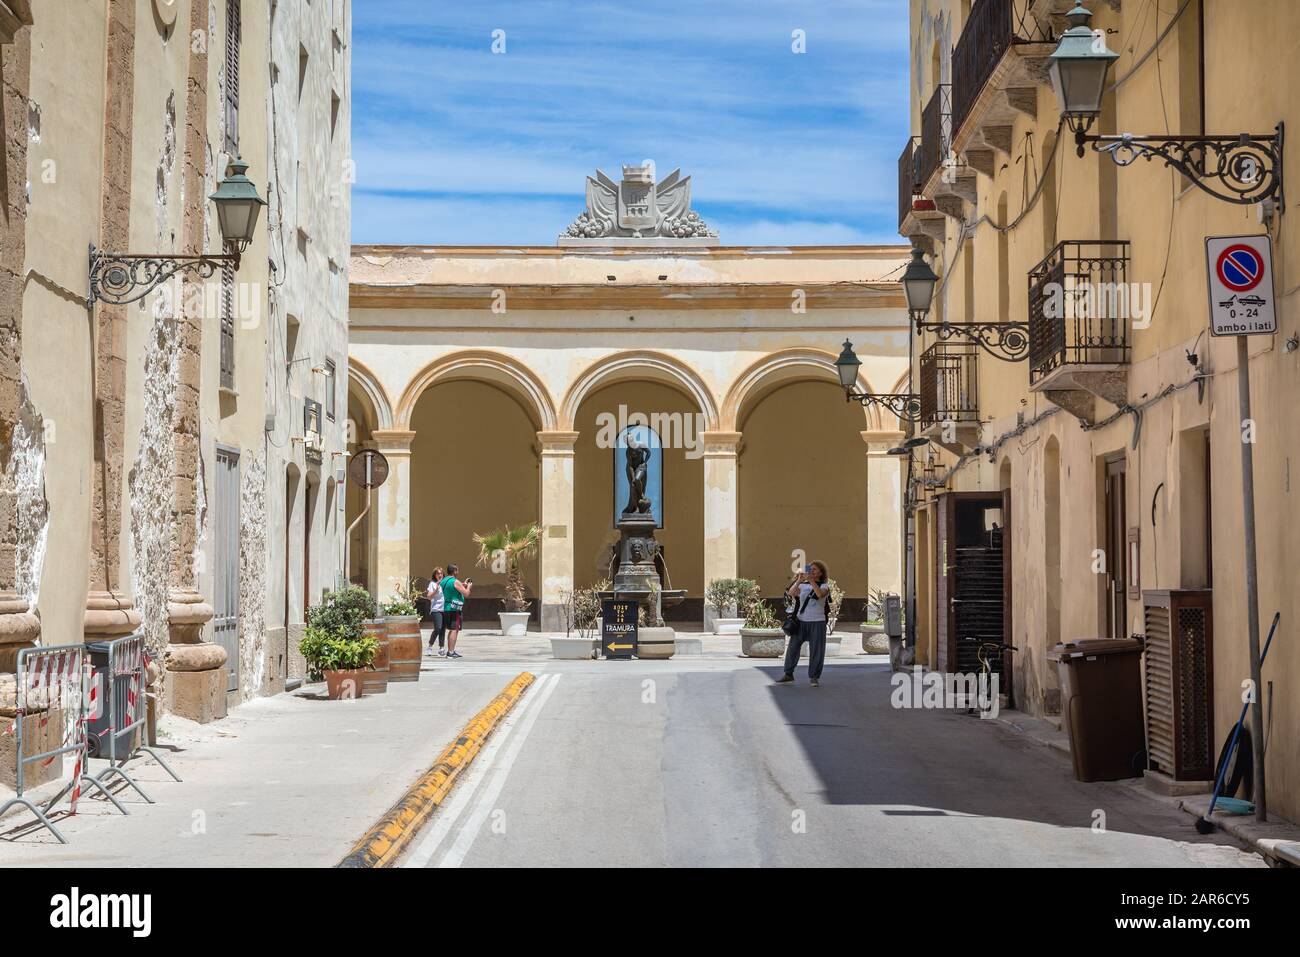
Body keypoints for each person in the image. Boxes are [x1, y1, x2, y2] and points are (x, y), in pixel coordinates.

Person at [777, 560, 830, 687]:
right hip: (801, 621)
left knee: (817, 650)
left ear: (821, 573)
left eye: (815, 569)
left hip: (818, 621)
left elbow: (819, 594)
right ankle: (788, 674)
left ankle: (814, 677)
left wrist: (811, 580)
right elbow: (791, 593)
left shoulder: (824, 586)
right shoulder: (803, 585)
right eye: (810, 569)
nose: (811, 571)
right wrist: (800, 580)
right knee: (793, 648)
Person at [440, 564, 472, 659]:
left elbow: (452, 589)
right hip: (454, 609)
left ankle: (450, 650)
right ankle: (451, 652)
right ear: (454, 571)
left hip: (445, 607)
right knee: (454, 630)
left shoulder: (444, 580)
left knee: (451, 629)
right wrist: (468, 587)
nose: (458, 572)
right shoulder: (455, 581)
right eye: (457, 570)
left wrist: (462, 585)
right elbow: (466, 594)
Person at [426, 567, 447, 656]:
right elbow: (429, 597)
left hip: (445, 609)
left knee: (443, 629)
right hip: (436, 609)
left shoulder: (445, 584)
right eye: (438, 573)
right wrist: (436, 589)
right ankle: (430, 646)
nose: (440, 575)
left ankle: (441, 648)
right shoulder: (432, 584)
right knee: (438, 628)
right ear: (435, 575)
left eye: (441, 573)